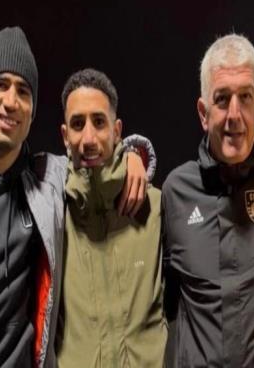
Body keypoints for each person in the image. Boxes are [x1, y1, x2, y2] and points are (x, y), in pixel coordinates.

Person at [0, 28, 147, 368]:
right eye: (0, 84)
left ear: (32, 111)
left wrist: (134, 153)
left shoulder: (47, 182)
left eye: (23, 91)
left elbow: (95, 159)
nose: (10, 101)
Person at [162, 34, 254, 367]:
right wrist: (133, 154)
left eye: (245, 97)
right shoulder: (176, 192)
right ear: (203, 113)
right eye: (222, 99)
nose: (234, 114)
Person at [56, 68, 167, 367]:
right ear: (65, 135)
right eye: (77, 124)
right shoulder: (52, 214)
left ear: (117, 131)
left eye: (99, 122)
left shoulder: (155, 207)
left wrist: (134, 155)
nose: (88, 138)